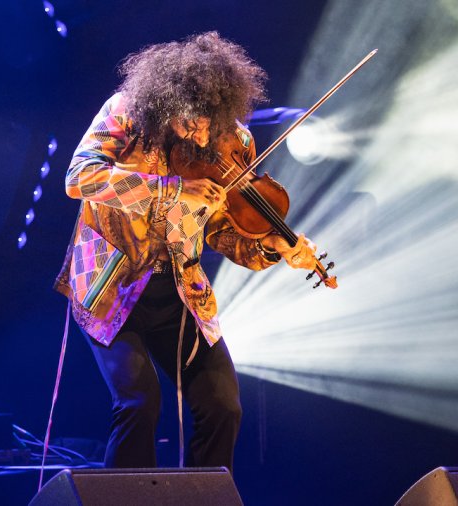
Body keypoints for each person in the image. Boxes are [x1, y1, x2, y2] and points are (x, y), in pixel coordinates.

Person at [53, 32, 318, 470]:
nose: (197, 132)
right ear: (168, 99)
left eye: (207, 123)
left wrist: (269, 246)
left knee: (223, 407)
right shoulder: (126, 112)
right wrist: (174, 189)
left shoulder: (235, 142)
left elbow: (220, 230)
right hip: (108, 283)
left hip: (178, 291)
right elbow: (79, 177)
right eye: (188, 119)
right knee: (138, 404)